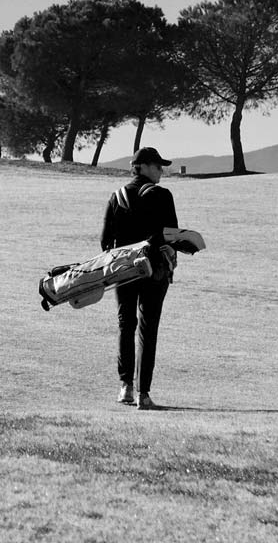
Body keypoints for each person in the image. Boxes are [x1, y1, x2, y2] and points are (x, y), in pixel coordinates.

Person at [100, 147, 178, 410]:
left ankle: (125, 388)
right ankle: (143, 394)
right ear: (143, 167)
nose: (161, 171)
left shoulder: (117, 197)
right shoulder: (162, 195)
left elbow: (105, 242)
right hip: (154, 271)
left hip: (123, 272)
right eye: (157, 166)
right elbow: (171, 235)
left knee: (126, 325)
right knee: (148, 328)